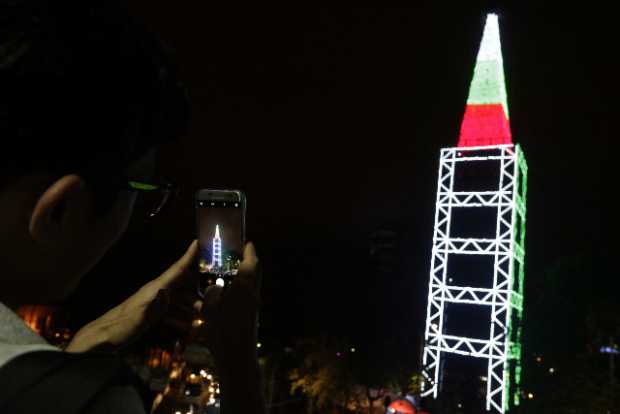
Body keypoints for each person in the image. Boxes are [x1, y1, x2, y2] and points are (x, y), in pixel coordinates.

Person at [0, 1, 266, 413]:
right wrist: (238, 365)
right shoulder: (91, 401)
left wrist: (80, 348)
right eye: (141, 189)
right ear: (59, 211)